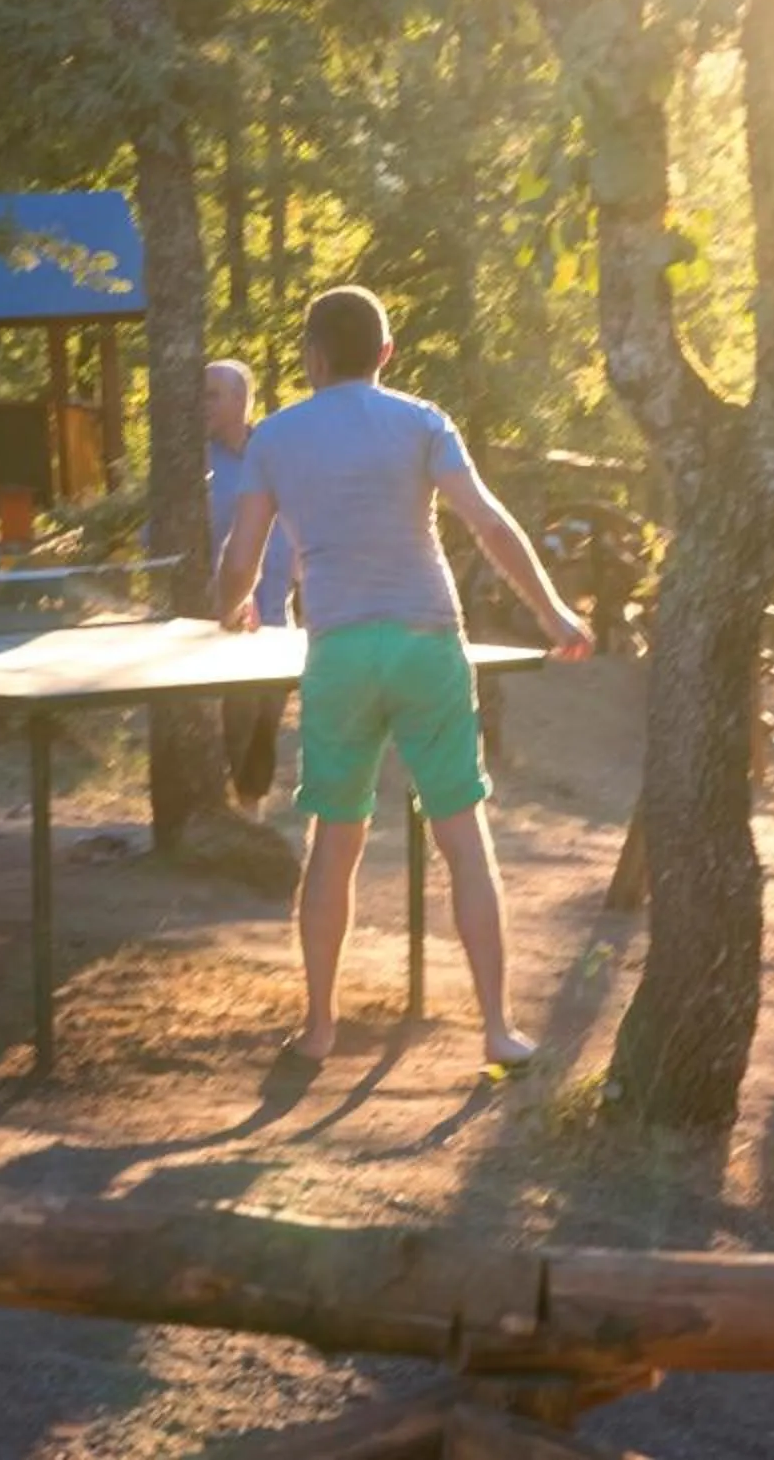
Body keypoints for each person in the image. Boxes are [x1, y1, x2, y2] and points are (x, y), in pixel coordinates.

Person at [215, 285, 592, 1072]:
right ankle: (498, 1029)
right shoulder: (423, 421)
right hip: (427, 640)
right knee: (464, 838)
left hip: (341, 649)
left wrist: (235, 606)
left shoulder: (276, 437)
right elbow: (489, 523)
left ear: (312, 356)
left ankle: (319, 1029)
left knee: (333, 843)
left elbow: (240, 559)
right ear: (386, 354)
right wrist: (555, 614)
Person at [205, 358, 297, 808]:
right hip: (218, 619)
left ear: (241, 400)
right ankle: (219, 808)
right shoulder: (194, 463)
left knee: (266, 716)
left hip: (277, 611)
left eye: (212, 395)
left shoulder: (279, 452)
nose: (202, 404)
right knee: (231, 716)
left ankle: (250, 810)